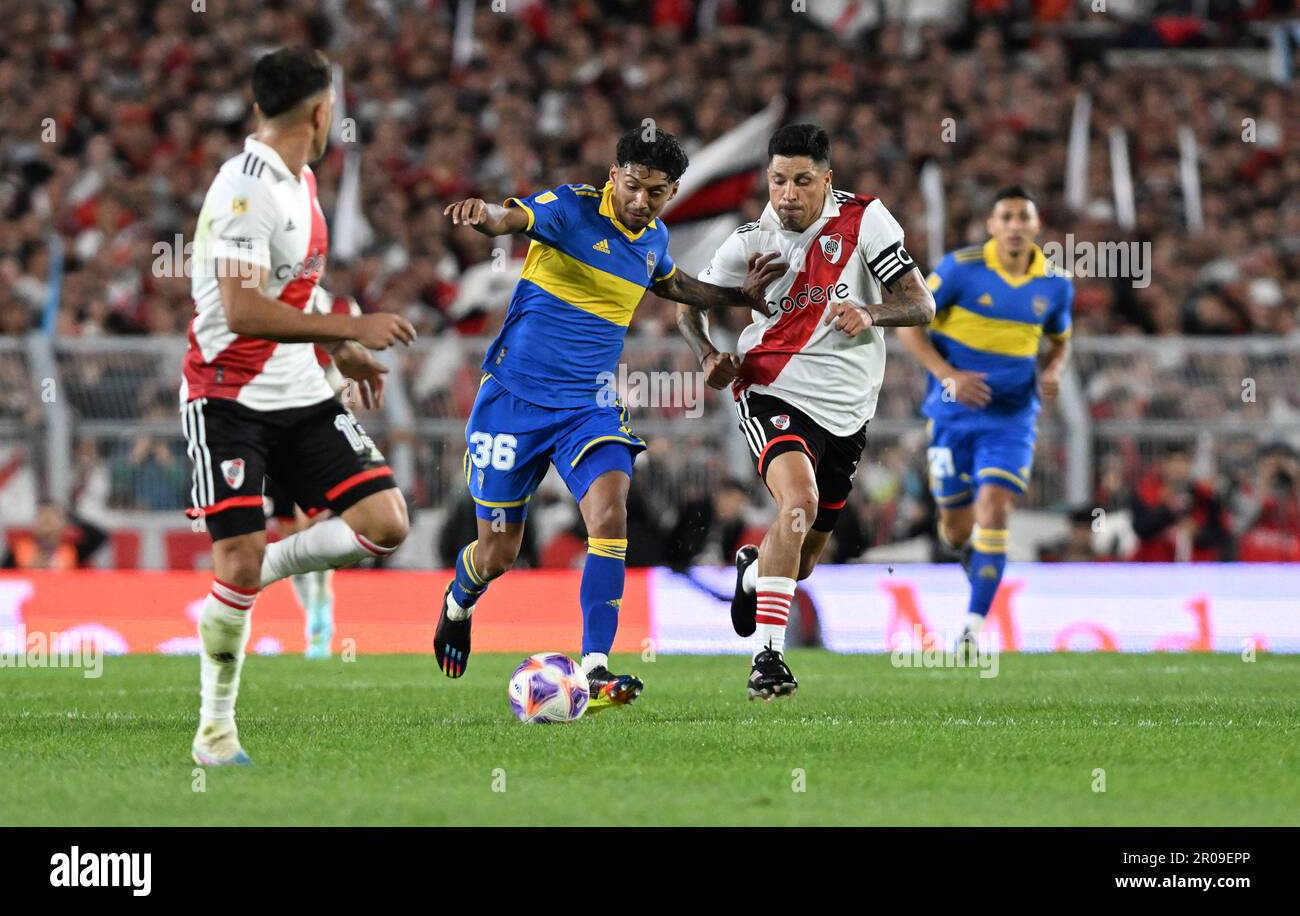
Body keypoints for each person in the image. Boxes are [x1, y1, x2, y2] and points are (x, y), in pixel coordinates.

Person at [438, 127, 779, 711]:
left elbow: (671, 282)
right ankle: (457, 603)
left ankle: (594, 666)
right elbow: (509, 220)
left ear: (671, 192)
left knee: (609, 511)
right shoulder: (570, 208)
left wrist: (732, 296)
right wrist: (483, 215)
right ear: (613, 173)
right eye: (633, 185)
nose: (641, 201)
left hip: (586, 405)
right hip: (511, 400)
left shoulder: (655, 238)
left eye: (657, 192)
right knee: (496, 553)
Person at [182, 47, 416, 766]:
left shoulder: (302, 180)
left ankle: (250, 569)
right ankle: (215, 732)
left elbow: (289, 289)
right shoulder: (244, 190)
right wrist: (349, 326)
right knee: (243, 560)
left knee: (384, 525)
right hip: (228, 395)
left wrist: (339, 351)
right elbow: (244, 307)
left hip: (302, 390)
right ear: (323, 112)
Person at [677, 123, 935, 699]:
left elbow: (921, 304)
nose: (787, 194)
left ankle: (752, 572)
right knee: (799, 501)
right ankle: (768, 659)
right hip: (770, 387)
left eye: (801, 181)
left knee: (804, 560)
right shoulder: (748, 241)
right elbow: (688, 308)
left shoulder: (865, 221)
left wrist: (870, 313)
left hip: (848, 409)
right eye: (777, 181)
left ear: (827, 180)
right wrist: (710, 355)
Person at [896, 186, 1073, 653]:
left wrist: (1051, 371)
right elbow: (910, 324)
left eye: (1024, 218)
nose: (1015, 226)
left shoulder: (1055, 283)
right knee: (954, 526)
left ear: (1037, 227)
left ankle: (973, 627)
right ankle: (969, 553)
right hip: (952, 416)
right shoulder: (960, 269)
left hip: (1011, 419)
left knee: (994, 506)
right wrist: (947, 374)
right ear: (991, 226)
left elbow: (1059, 340)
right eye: (1006, 217)